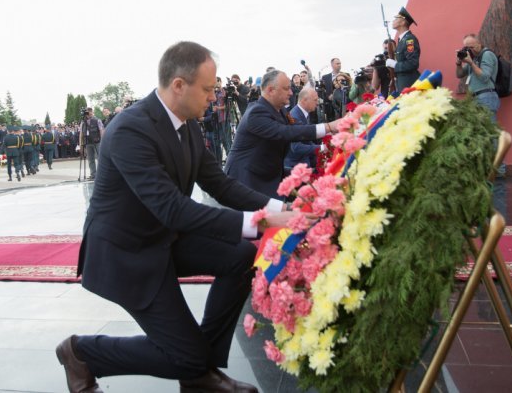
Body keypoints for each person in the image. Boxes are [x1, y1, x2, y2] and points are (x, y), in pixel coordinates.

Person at [56, 41, 304, 393]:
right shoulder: (130, 129)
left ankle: (200, 372)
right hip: (128, 253)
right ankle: (81, 353)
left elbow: (219, 183)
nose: (213, 97)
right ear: (178, 85)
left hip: (163, 239)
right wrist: (261, 224)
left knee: (241, 256)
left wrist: (282, 209)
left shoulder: (187, 124)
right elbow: (172, 207)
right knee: (184, 354)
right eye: (207, 89)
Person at [224, 69, 339, 198]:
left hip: (269, 172)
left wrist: (330, 131)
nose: (291, 93)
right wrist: (328, 127)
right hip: (247, 180)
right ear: (270, 90)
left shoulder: (282, 110)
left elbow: (296, 126)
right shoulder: (256, 113)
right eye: (286, 88)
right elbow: (285, 132)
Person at [455, 33, 503, 175]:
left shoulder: (486, 55)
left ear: (479, 44)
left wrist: (471, 62)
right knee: (480, 135)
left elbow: (484, 76)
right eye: (465, 47)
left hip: (486, 96)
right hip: (475, 99)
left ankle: (500, 170)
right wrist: (459, 63)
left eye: (471, 47)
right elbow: (459, 75)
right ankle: (486, 168)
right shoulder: (473, 58)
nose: (468, 50)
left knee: (491, 135)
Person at [284, 87, 323, 172]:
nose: (317, 103)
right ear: (304, 100)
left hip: (303, 161)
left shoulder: (303, 112)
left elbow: (306, 139)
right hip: (295, 166)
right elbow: (296, 148)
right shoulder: (294, 116)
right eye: (315, 100)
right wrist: (321, 148)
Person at [385, 7, 420, 91]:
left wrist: (395, 64)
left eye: (396, 18)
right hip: (402, 82)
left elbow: (412, 63)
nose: (393, 21)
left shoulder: (409, 40)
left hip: (408, 83)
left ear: (403, 22)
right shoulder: (402, 40)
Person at [79, 107, 103, 179]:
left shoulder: (97, 120)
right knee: (90, 159)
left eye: (89, 112)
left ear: (92, 112)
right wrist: (81, 145)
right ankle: (93, 174)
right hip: (88, 143)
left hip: (97, 142)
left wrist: (103, 141)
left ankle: (100, 174)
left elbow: (101, 131)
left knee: (99, 158)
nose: (88, 114)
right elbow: (81, 134)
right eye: (87, 112)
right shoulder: (83, 122)